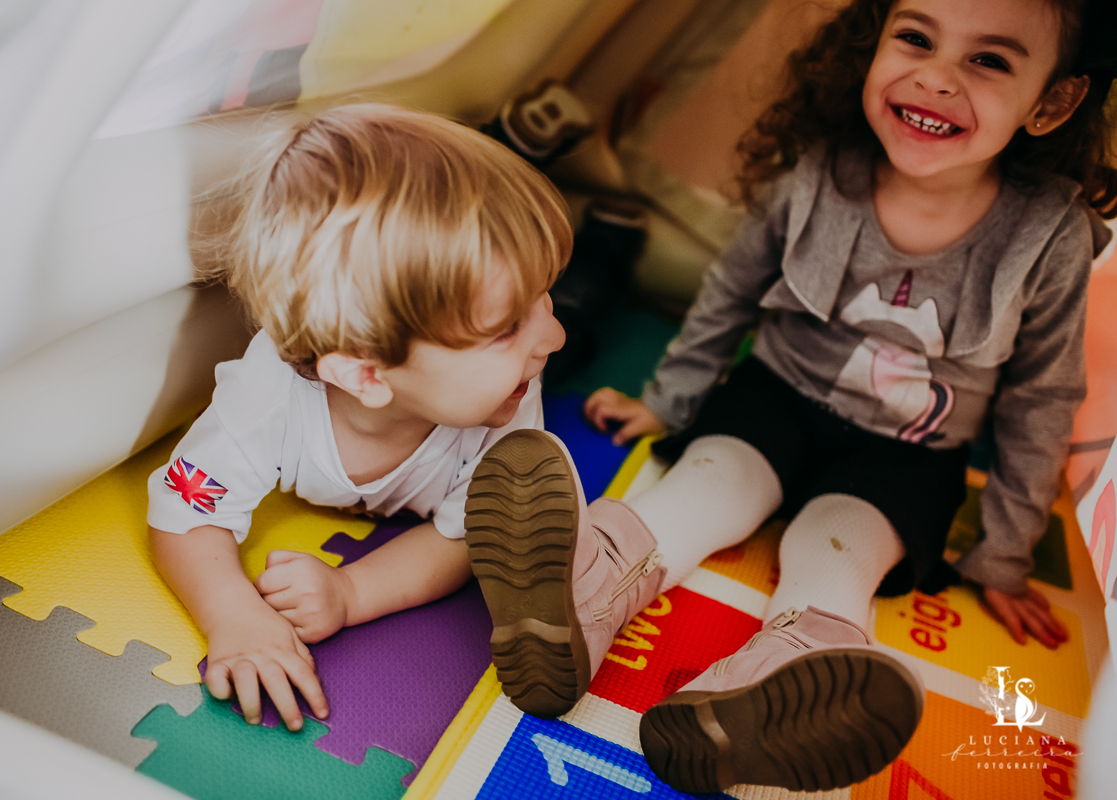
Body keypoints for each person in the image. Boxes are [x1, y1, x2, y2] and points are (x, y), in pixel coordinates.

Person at [469, 0, 1117, 793]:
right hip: (778, 392)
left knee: (839, 543)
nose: (937, 77)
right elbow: (730, 293)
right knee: (711, 486)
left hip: (907, 451)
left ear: (1051, 101)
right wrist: (671, 402)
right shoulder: (822, 171)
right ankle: (581, 590)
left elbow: (1041, 396)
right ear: (872, 44)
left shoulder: (1049, 235)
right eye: (915, 38)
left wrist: (1006, 553)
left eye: (989, 61)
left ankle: (774, 685)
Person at [146, 104, 571, 733]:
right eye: (508, 328)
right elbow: (186, 515)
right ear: (367, 375)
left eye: (545, 296)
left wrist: (352, 593)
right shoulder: (265, 400)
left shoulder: (508, 397)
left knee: (585, 326)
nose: (550, 337)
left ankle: (601, 253)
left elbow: (463, 536)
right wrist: (233, 614)